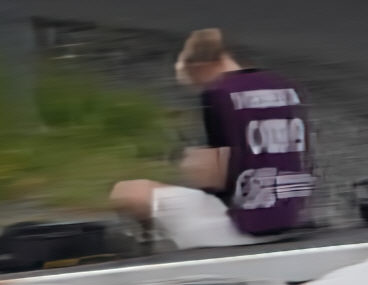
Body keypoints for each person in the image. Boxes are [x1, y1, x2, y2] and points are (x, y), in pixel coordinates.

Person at [110, 28, 315, 250]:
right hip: (293, 219)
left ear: (200, 66)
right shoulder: (284, 86)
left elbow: (213, 178)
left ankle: (152, 248)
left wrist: (188, 162)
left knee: (129, 191)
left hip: (241, 229)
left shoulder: (219, 93)